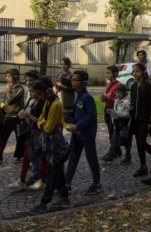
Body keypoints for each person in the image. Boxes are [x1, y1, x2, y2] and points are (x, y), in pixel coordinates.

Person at [29, 77, 70, 214]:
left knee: (52, 175)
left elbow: (48, 128)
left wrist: (42, 123)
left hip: (57, 147)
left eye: (39, 94)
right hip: (51, 146)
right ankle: (64, 198)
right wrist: (42, 122)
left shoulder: (55, 105)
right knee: (57, 174)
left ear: (46, 91)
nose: (37, 97)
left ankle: (44, 203)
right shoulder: (47, 103)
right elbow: (41, 120)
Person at [65, 70, 102, 195]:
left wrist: (77, 125)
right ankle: (67, 184)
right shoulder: (77, 96)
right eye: (72, 80)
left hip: (87, 134)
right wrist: (66, 114)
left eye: (76, 80)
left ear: (83, 83)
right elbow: (77, 112)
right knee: (73, 158)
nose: (73, 82)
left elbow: (91, 116)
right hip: (77, 134)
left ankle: (97, 184)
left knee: (91, 158)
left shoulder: (87, 98)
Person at [9, 70, 46, 190]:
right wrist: (23, 113)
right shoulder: (31, 97)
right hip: (30, 131)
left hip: (37, 132)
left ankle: (41, 179)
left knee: (40, 157)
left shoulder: (42, 101)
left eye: (31, 81)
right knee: (28, 154)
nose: (29, 84)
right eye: (27, 80)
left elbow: (40, 120)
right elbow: (27, 109)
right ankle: (26, 179)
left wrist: (28, 116)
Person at [129, 63, 151, 177]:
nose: (135, 73)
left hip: (144, 119)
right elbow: (133, 102)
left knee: (141, 142)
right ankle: (143, 166)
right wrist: (130, 108)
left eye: (137, 71)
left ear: (142, 72)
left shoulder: (147, 87)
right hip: (135, 119)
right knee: (139, 143)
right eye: (134, 71)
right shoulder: (133, 86)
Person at [0, 68, 25, 163]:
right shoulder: (9, 87)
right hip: (7, 116)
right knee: (2, 136)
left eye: (9, 76)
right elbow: (5, 100)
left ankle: (17, 156)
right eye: (6, 76)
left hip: (17, 117)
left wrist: (9, 89)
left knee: (19, 137)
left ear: (15, 77)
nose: (6, 78)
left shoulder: (19, 88)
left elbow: (10, 100)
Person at [103, 84, 131, 165]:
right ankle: (110, 156)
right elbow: (115, 112)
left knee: (125, 142)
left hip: (124, 125)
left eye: (120, 93)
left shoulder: (126, 102)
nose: (118, 94)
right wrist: (112, 114)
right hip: (117, 124)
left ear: (124, 93)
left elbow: (127, 114)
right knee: (114, 140)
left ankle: (128, 156)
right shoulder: (116, 101)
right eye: (117, 93)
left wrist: (116, 113)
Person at [100, 65, 121, 160]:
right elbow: (106, 96)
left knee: (113, 131)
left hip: (113, 110)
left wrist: (108, 97)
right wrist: (103, 98)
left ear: (115, 74)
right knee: (110, 130)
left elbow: (118, 99)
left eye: (109, 73)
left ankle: (113, 152)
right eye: (107, 73)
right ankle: (117, 150)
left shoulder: (118, 85)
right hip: (107, 109)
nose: (107, 74)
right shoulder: (108, 84)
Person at [55, 57, 74, 124]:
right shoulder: (60, 73)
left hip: (67, 100)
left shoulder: (71, 75)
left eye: (64, 64)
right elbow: (57, 83)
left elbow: (73, 88)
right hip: (59, 97)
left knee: (67, 121)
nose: (62, 66)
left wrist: (62, 86)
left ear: (68, 65)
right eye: (61, 64)